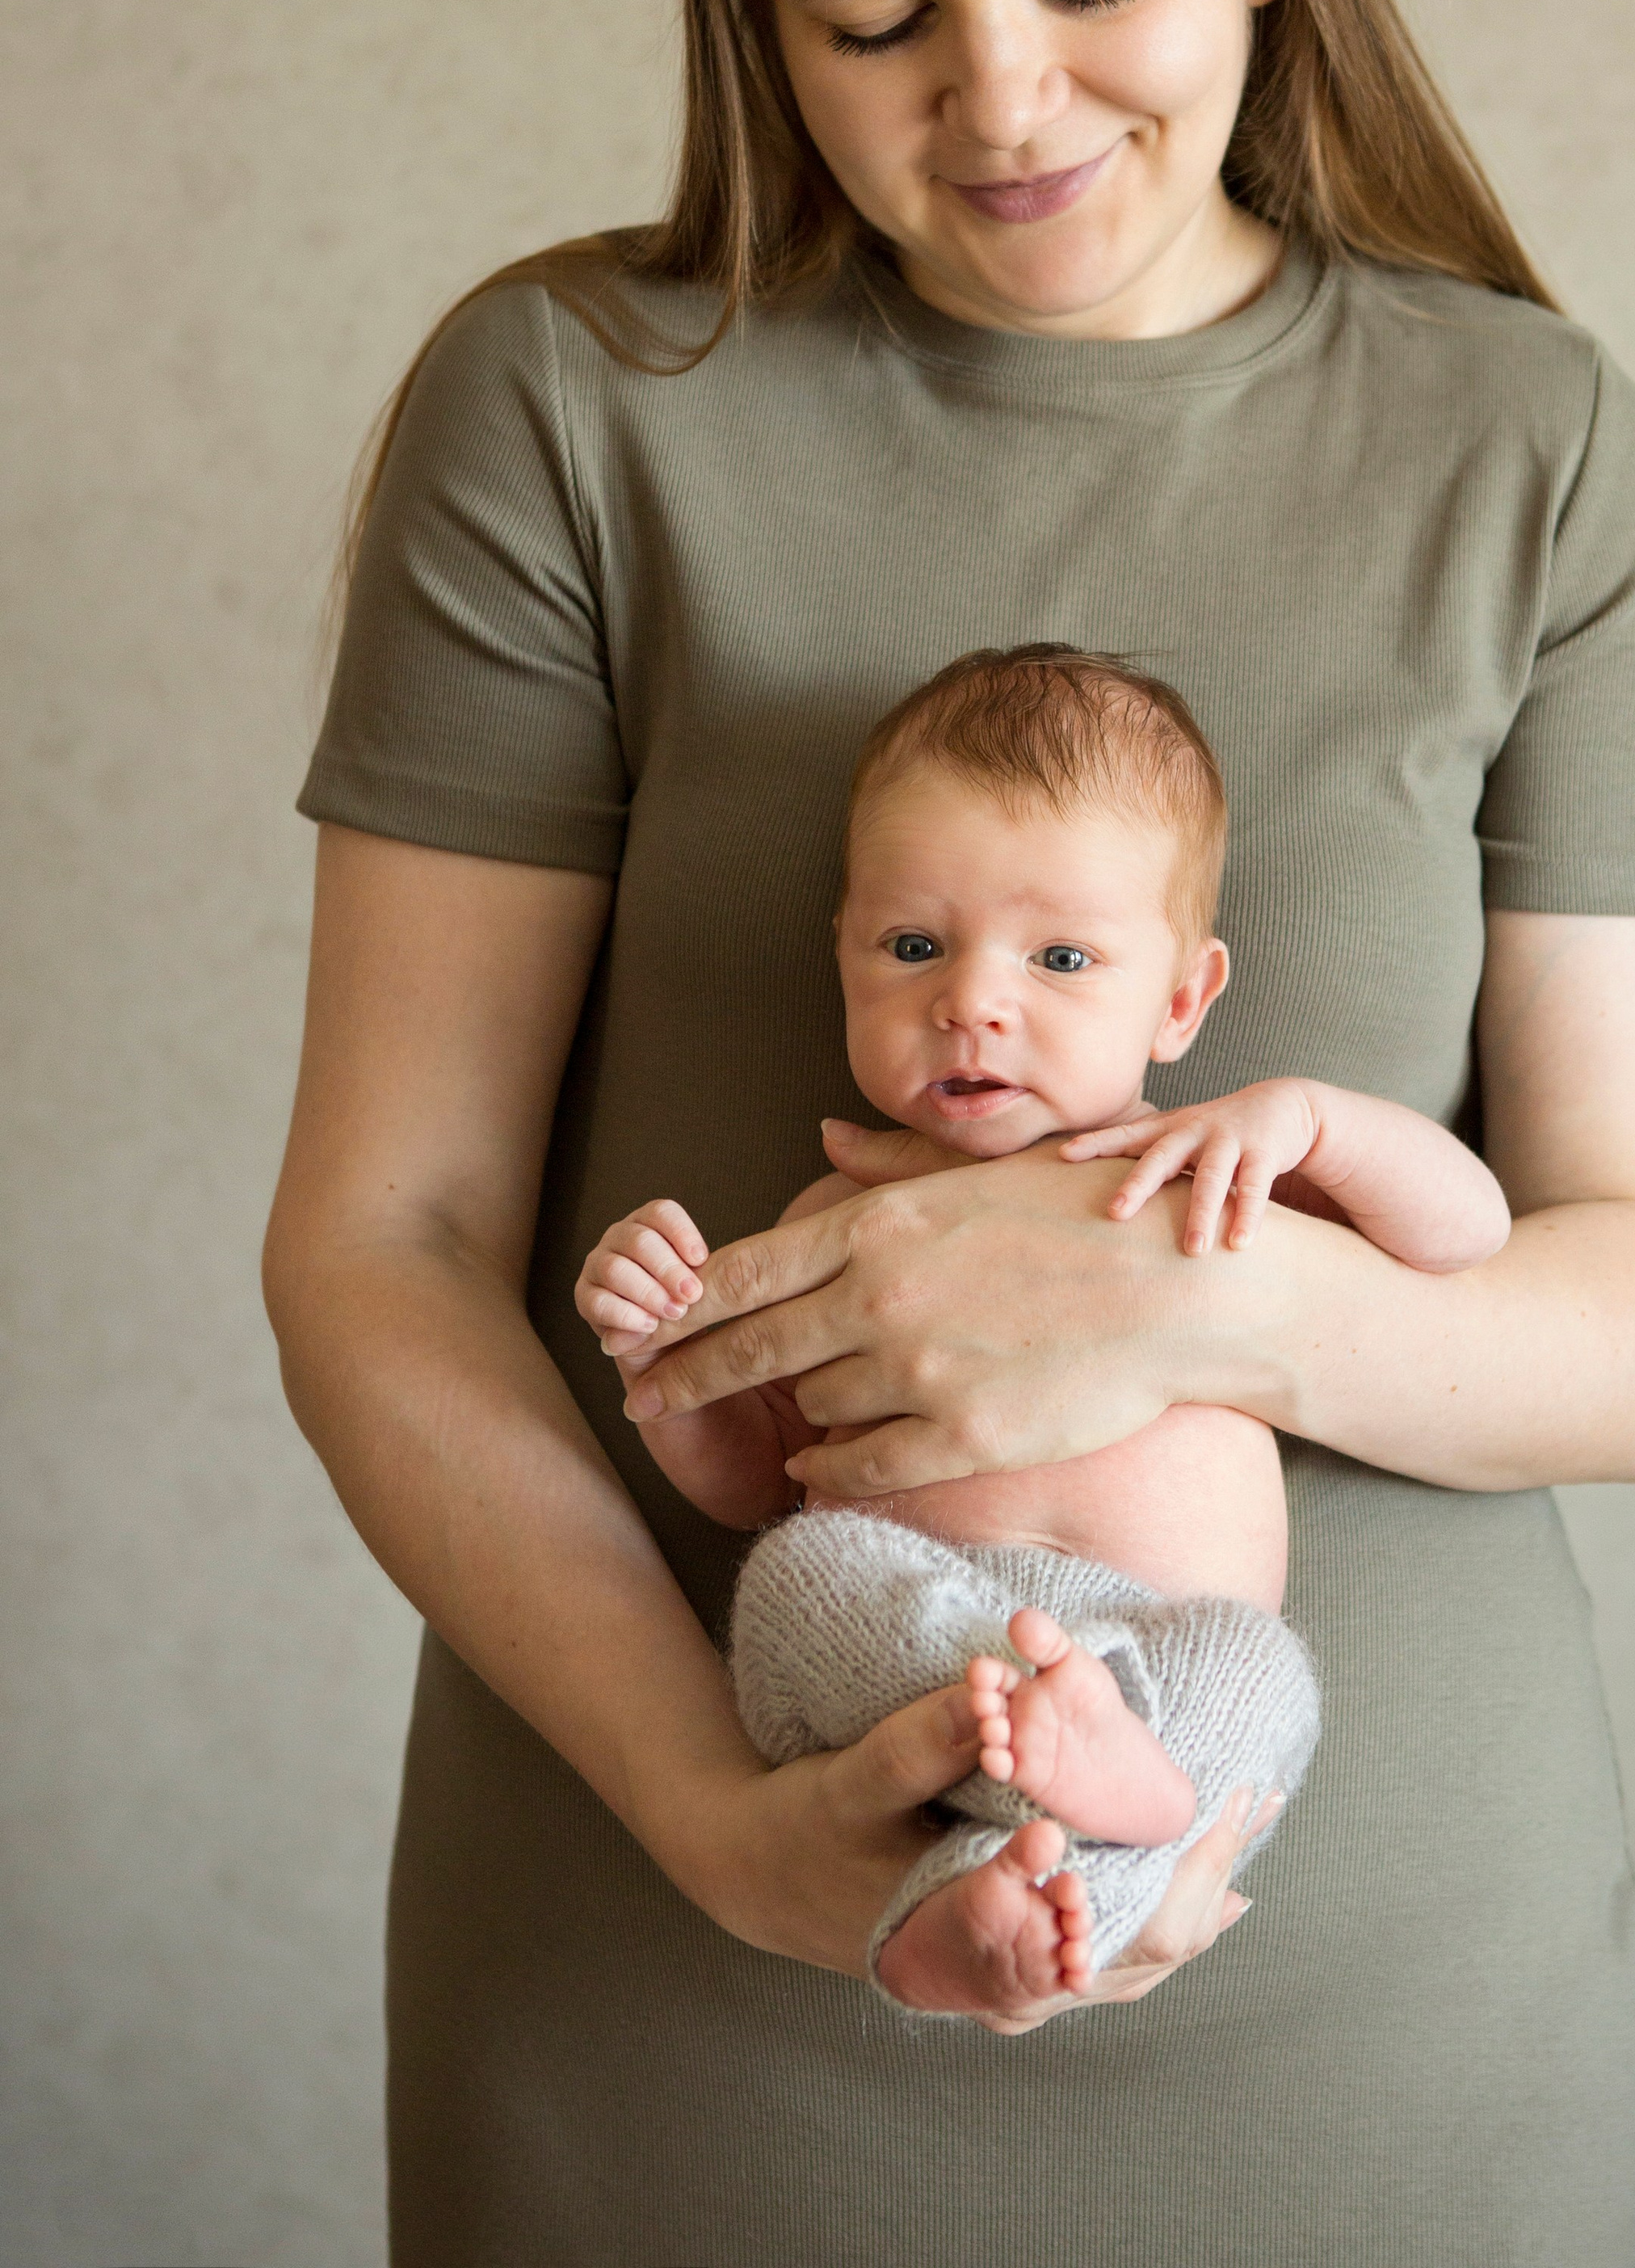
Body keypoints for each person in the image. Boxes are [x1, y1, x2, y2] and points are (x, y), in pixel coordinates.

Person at [263, 0, 1635, 2266]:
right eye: (876, 26)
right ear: (750, 4)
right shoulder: (574, 411)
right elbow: (389, 1234)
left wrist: (1173, 1294)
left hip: (1374, 2040)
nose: (1009, 105)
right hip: (670, 2007)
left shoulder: (1535, 458)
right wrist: (724, 1821)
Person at [574, 642, 1511, 2018]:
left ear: (1184, 999)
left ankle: (982, 1909)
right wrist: (670, 1361)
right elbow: (755, 1486)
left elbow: (1467, 1233)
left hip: (1164, 1650)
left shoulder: (1217, 1168)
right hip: (929, 1658)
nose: (972, 1000)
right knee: (798, 1574)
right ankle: (1050, 1802)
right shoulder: (842, 1215)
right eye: (912, 947)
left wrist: (1316, 1119)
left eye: (1062, 956)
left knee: (1260, 1686)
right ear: (842, 954)